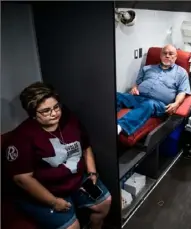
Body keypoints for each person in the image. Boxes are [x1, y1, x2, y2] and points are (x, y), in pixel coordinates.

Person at [4, 82, 112, 229]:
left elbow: (86, 146)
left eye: (56, 107)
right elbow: (22, 179)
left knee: (104, 203)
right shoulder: (21, 137)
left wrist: (92, 173)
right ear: (33, 114)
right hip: (47, 190)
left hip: (76, 179)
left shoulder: (69, 119)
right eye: (46, 111)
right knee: (72, 227)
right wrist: (53, 202)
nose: (54, 113)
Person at [117, 44, 191, 136]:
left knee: (148, 104)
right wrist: (134, 88)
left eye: (171, 54)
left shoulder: (181, 73)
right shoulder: (147, 68)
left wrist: (176, 103)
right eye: (165, 53)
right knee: (117, 96)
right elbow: (137, 83)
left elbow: (182, 91)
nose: (167, 56)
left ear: (176, 57)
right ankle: (104, 121)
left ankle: (119, 126)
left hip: (159, 104)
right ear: (160, 56)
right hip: (138, 98)